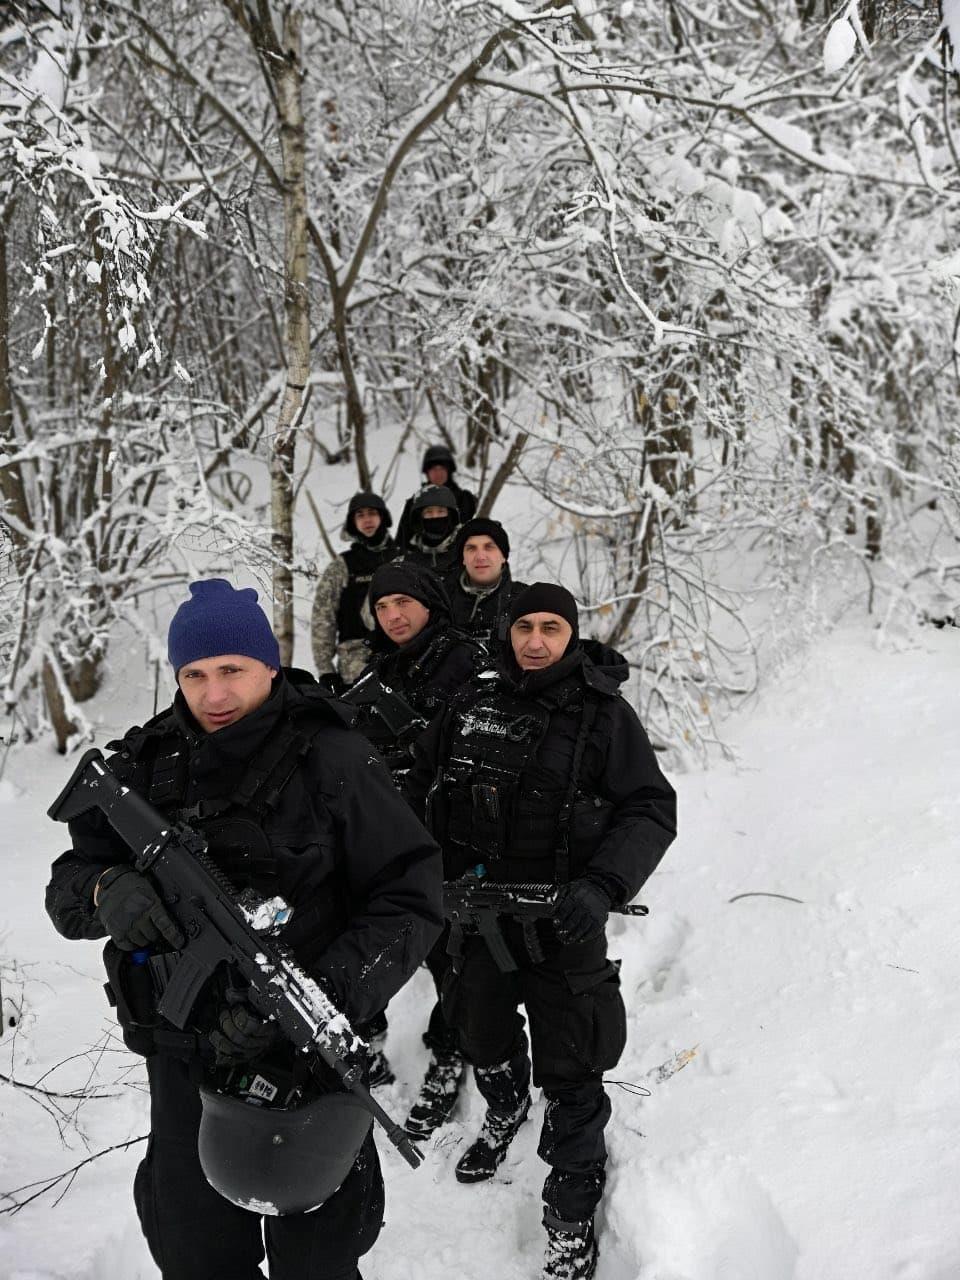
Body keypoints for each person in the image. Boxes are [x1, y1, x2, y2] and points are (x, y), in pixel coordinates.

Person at [45, 578, 443, 1280]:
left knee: (319, 1258)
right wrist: (107, 889)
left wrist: (322, 992)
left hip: (306, 1055)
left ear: (269, 663)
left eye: (231, 670)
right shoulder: (142, 765)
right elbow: (65, 887)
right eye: (193, 675)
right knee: (194, 1250)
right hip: (183, 1056)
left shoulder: (334, 758)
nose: (214, 694)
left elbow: (411, 897)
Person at [403, 583, 677, 1280]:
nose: (535, 639)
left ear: (571, 635)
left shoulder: (601, 716)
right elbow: (415, 788)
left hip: (564, 923)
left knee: (575, 1071)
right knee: (482, 1036)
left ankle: (569, 1216)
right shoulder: (469, 703)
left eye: (551, 627)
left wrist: (604, 884)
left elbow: (649, 807)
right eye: (524, 625)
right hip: (474, 923)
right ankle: (502, 1109)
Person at [342, 561, 488, 1128]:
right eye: (381, 607)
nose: (393, 615)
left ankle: (450, 1054)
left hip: (454, 835)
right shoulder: (385, 668)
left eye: (403, 602)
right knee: (377, 937)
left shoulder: (469, 661)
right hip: (392, 837)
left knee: (451, 955)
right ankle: (366, 1041)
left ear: (429, 602)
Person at [311, 491, 398, 689]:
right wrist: (325, 670)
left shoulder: (402, 559)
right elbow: (322, 619)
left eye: (372, 513)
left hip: (402, 658)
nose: (367, 520)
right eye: (360, 515)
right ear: (352, 522)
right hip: (355, 663)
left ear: (382, 517)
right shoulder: (341, 566)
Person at [447, 517, 527, 642]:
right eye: (471, 548)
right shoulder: (441, 598)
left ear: (503, 557)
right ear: (462, 558)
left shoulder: (525, 599)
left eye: (489, 547)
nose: (480, 557)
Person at [396, 444, 476, 548]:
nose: (438, 473)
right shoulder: (415, 502)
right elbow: (402, 541)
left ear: (449, 471)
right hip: (421, 559)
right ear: (427, 473)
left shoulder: (464, 499)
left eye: (442, 468)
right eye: (433, 469)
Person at [399, 485, 463, 574]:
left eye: (441, 511)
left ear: (451, 516)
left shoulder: (466, 554)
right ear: (420, 518)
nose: (435, 517)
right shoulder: (405, 562)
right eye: (428, 512)